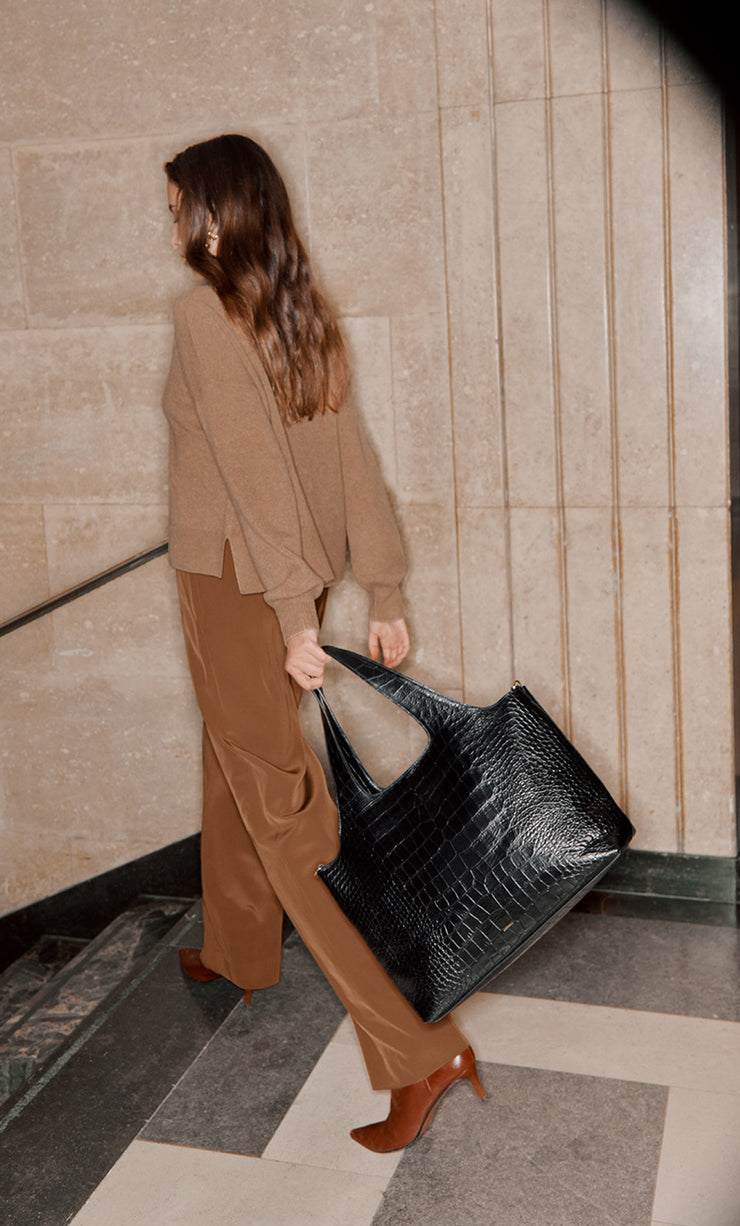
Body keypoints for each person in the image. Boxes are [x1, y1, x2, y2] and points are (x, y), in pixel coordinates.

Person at [161, 134, 485, 1152]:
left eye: (175, 206)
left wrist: (296, 617)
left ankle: (421, 1048)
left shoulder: (201, 315)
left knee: (287, 814)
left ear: (213, 216)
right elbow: (352, 458)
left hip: (239, 585)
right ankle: (239, 945)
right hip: (276, 580)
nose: (168, 223)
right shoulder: (299, 306)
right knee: (236, 763)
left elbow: (259, 476)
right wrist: (377, 582)